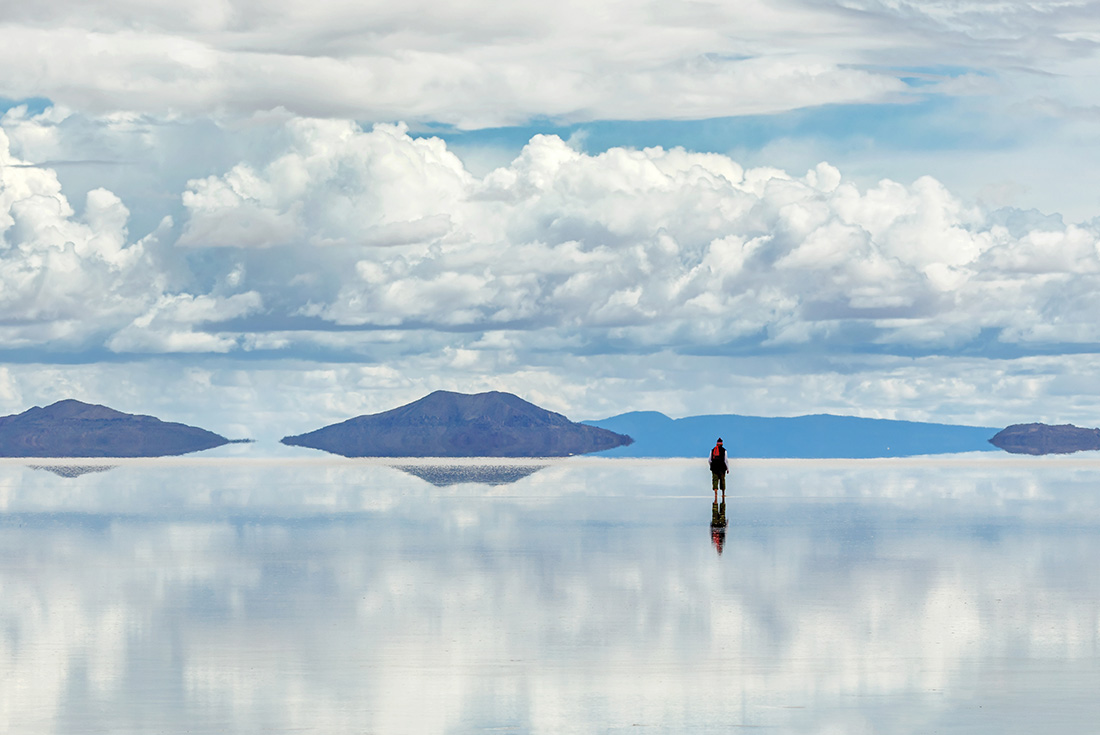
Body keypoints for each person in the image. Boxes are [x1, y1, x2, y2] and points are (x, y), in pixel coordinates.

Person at [709, 437, 728, 502]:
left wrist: (711, 466)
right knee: (722, 480)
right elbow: (726, 460)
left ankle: (715, 494)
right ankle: (723, 494)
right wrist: (727, 468)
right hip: (722, 468)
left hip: (714, 468)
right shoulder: (724, 451)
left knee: (715, 480)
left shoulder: (712, 450)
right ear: (722, 444)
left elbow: (709, 460)